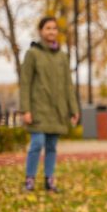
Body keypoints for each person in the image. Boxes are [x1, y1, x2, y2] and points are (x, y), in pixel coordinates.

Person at [20, 17, 79, 192]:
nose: (51, 31)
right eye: (48, 28)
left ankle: (49, 180)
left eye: (54, 28)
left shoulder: (62, 56)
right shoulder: (33, 53)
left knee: (52, 146)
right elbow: (25, 83)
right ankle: (29, 179)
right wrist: (26, 109)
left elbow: (68, 85)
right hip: (38, 108)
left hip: (57, 110)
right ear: (40, 31)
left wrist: (73, 109)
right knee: (37, 143)